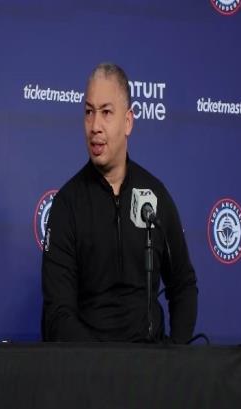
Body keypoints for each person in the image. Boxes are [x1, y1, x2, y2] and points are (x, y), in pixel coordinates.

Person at [41, 63, 197, 343]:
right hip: (88, 364)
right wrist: (100, 362)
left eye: (106, 112)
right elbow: (57, 314)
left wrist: (176, 358)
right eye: (89, 112)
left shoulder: (155, 195)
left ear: (128, 122)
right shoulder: (67, 205)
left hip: (152, 364)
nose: (95, 126)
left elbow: (183, 285)